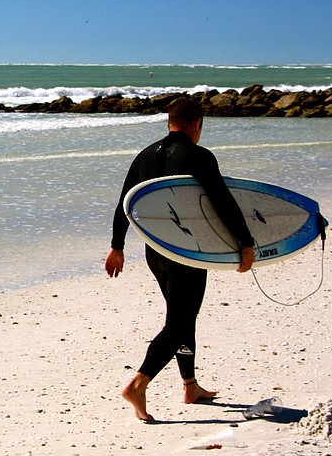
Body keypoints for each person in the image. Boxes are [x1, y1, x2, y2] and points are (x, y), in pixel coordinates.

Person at [104, 97, 256, 422]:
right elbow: (222, 202)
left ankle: (190, 385)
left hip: (155, 251)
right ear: (198, 124)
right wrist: (245, 242)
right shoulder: (199, 156)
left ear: (168, 122)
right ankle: (139, 382)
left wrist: (117, 246)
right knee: (180, 322)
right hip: (187, 253)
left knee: (182, 316)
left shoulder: (144, 157)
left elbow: (125, 204)